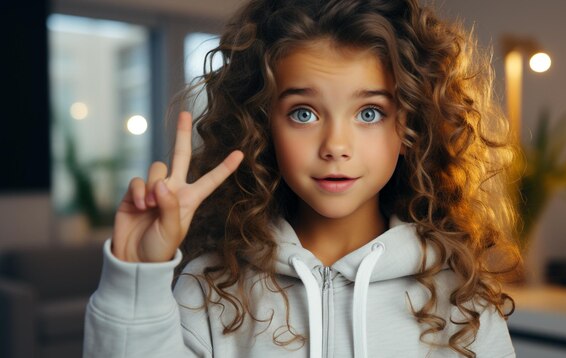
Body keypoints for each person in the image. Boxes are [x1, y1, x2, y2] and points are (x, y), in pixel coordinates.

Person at [84, 0, 521, 357]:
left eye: (369, 113)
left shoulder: (464, 301)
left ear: (409, 129)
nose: (335, 144)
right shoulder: (211, 288)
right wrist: (136, 282)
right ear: (263, 127)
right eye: (304, 113)